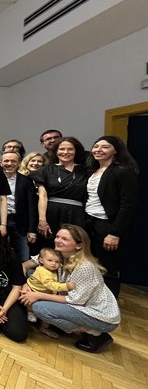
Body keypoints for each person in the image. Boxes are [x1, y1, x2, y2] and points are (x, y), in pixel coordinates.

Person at [20, 225, 120, 353]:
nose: (58, 240)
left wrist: (38, 295)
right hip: (75, 302)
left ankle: (96, 333)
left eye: (64, 239)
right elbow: (25, 266)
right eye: (57, 236)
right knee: (35, 273)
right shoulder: (57, 255)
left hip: (100, 316)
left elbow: (74, 300)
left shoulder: (84, 266)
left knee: (39, 308)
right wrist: (25, 286)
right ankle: (62, 323)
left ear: (78, 245)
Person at [84, 136, 139, 297]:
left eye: (105, 147)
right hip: (90, 222)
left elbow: (128, 205)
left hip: (108, 225)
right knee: (91, 265)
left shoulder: (122, 171)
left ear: (116, 150)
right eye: (96, 146)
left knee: (108, 268)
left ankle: (109, 308)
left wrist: (115, 233)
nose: (98, 150)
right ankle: (93, 300)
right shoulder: (93, 171)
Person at [32, 136, 87, 246]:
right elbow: (42, 196)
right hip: (51, 212)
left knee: (74, 245)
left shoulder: (86, 171)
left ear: (76, 151)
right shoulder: (46, 170)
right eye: (61, 149)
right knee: (50, 246)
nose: (65, 152)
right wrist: (42, 220)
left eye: (70, 149)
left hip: (76, 214)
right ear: (56, 151)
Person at [25, 247, 75, 338]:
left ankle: (44, 327)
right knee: (30, 302)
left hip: (45, 293)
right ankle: (30, 312)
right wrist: (66, 286)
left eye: (57, 262)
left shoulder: (52, 270)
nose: (53, 264)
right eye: (50, 260)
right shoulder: (42, 271)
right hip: (34, 291)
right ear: (41, 260)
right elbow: (50, 285)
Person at [1, 151, 38, 261]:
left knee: (23, 255)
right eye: (6, 161)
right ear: (1, 162)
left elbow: (32, 207)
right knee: (0, 253)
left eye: (13, 161)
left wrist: (32, 230)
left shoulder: (26, 181)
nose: (9, 163)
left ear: (19, 163)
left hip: (20, 223)